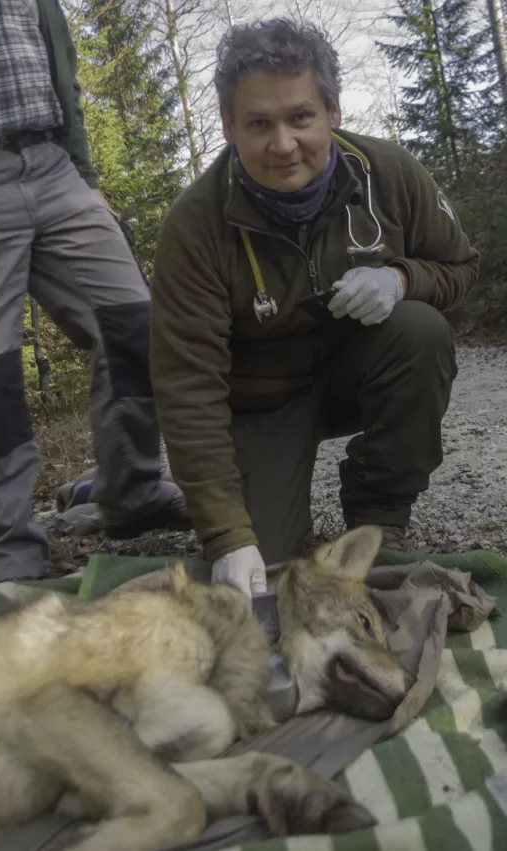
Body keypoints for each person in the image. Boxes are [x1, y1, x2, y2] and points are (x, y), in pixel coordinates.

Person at [150, 18, 480, 598]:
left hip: (360, 368)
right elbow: (187, 386)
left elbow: (461, 268)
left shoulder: (390, 174)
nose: (282, 145)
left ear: (332, 109)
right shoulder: (194, 226)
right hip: (261, 402)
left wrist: (402, 278)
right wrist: (227, 535)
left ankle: (378, 515)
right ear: (228, 125)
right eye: (258, 123)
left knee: (420, 331)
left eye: (300, 117)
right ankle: (231, 510)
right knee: (267, 572)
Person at [0, 0, 189, 582]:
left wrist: (84, 174)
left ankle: (132, 496)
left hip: (52, 165)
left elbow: (62, 76)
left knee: (136, 326)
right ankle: (13, 550)